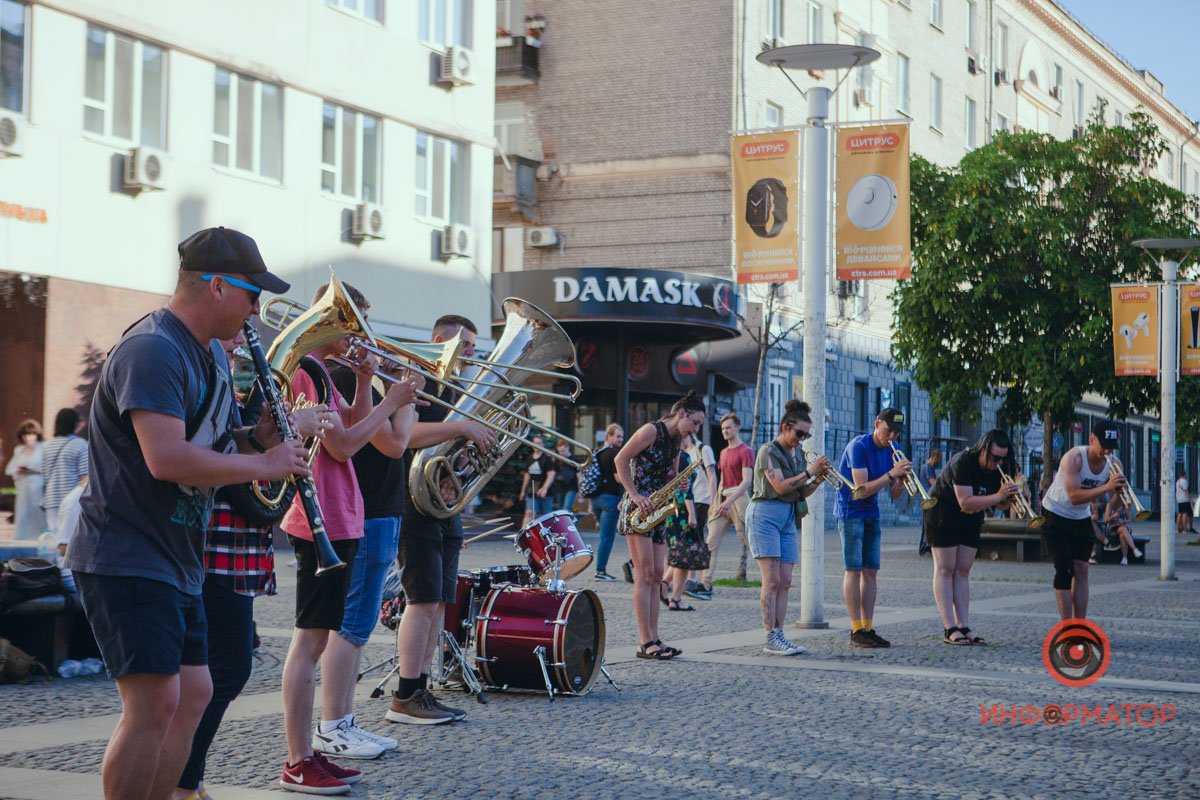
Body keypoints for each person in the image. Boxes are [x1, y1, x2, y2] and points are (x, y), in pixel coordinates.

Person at [62, 226, 308, 800]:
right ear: (218, 286)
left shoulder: (209, 358)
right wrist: (266, 464)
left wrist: (253, 438)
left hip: (175, 555)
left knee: (194, 692)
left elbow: (213, 445)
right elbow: (166, 458)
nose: (257, 310)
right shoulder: (153, 349)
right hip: (125, 553)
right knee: (153, 704)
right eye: (253, 294)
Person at [175, 331, 343, 800]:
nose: (244, 336)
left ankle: (187, 778)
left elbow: (240, 442)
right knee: (221, 667)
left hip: (236, 542)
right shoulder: (202, 367)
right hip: (216, 541)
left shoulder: (225, 373)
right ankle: (182, 781)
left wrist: (274, 433)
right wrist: (278, 437)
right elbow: (216, 452)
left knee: (222, 667)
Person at [279, 282, 421, 791]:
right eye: (349, 324)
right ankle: (300, 758)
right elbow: (343, 448)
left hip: (341, 516)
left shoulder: (321, 372)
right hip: (319, 517)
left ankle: (312, 750)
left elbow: (352, 429)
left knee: (316, 641)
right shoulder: (305, 370)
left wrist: (366, 385)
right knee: (308, 645)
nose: (356, 336)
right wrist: (394, 401)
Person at [387, 314, 494, 726]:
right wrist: (464, 426)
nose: (471, 353)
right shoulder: (417, 378)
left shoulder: (454, 387)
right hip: (413, 502)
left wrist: (468, 452)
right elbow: (407, 437)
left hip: (443, 504)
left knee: (439, 601)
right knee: (422, 599)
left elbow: (447, 444)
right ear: (439, 340)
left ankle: (423, 687)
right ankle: (406, 692)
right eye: (465, 345)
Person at [615, 391, 707, 660]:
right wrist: (634, 495)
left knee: (657, 575)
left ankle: (655, 637)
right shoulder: (650, 431)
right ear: (681, 414)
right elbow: (620, 460)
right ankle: (645, 641)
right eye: (695, 422)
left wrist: (680, 482)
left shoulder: (677, 441)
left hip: (657, 508)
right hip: (638, 507)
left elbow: (671, 476)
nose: (696, 429)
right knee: (644, 575)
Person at [747, 400, 830, 655]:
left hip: (787, 516)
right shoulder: (768, 450)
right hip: (766, 514)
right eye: (799, 433)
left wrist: (817, 480)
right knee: (771, 580)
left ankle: (780, 634)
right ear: (785, 427)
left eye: (807, 435)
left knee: (785, 580)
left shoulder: (797, 454)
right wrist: (809, 472)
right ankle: (769, 636)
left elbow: (799, 491)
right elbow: (781, 486)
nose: (802, 439)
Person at [925, 430, 1017, 646]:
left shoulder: (1000, 468)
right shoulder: (963, 461)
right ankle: (950, 628)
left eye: (1003, 458)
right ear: (983, 451)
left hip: (970, 518)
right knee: (945, 568)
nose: (999, 462)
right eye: (995, 458)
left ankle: (964, 625)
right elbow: (964, 501)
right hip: (943, 512)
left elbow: (993, 502)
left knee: (963, 569)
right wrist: (998, 496)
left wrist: (1005, 502)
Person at [835, 407, 910, 648]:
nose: (892, 438)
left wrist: (901, 481)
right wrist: (891, 474)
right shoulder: (859, 446)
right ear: (877, 423)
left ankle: (868, 626)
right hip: (850, 511)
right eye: (889, 431)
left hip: (872, 513)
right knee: (853, 570)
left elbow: (896, 495)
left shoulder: (894, 450)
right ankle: (856, 629)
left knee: (871, 571)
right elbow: (861, 490)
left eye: (897, 433)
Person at [1039, 419, 1125, 620]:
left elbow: (1115, 504)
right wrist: (1107, 487)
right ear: (1091, 440)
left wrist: (1120, 492)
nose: (1107, 452)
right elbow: (1074, 496)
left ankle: (1080, 624)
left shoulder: (1114, 464)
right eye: (1104, 446)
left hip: (1081, 516)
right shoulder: (1074, 458)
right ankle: (1067, 626)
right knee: (1064, 569)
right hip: (1056, 513)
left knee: (1083, 569)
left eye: (1112, 448)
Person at [694, 412, 754, 597]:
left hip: (739, 499)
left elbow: (747, 481)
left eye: (728, 427)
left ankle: (773, 576)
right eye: (722, 428)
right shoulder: (723, 452)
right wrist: (715, 502)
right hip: (722, 500)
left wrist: (730, 501)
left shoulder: (746, 451)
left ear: (737, 427)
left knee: (752, 540)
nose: (725, 431)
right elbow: (721, 480)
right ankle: (705, 584)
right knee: (710, 543)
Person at [40, 408, 89, 533]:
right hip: (71, 501)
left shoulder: (47, 446)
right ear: (75, 423)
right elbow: (85, 478)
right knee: (70, 540)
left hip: (51, 500)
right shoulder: (80, 444)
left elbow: (44, 474)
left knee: (55, 542)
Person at [589, 423, 625, 581]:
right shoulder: (614, 453)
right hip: (610, 499)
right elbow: (619, 478)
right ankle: (601, 571)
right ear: (608, 436)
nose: (621, 440)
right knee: (607, 537)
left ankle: (600, 569)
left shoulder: (597, 452)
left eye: (622, 437)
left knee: (603, 536)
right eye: (617, 436)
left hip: (596, 499)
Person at [683, 435, 717, 600]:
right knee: (690, 539)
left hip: (702, 499)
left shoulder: (704, 449)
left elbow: (712, 475)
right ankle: (690, 578)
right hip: (689, 499)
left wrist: (713, 501)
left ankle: (693, 578)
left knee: (696, 539)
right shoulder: (684, 452)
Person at [6, 419, 46, 540]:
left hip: (38, 486)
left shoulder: (43, 448)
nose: (28, 437)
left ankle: (40, 540)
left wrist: (34, 470)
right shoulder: (19, 450)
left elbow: (47, 468)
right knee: (23, 515)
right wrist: (18, 470)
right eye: (25, 434)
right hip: (23, 487)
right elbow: (10, 469)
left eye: (32, 434)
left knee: (38, 515)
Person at [520, 436, 556, 527]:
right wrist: (523, 491)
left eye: (539, 443)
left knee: (547, 516)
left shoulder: (547, 458)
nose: (537, 445)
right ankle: (523, 536)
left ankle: (550, 537)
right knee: (529, 513)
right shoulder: (529, 459)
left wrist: (544, 488)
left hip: (545, 492)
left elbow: (551, 474)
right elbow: (527, 475)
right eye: (535, 443)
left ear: (543, 445)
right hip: (531, 491)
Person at [1103, 491, 1142, 566]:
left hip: (1122, 526)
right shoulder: (1110, 505)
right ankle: (1134, 549)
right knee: (1123, 530)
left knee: (1122, 535)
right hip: (1113, 527)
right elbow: (1106, 519)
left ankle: (1124, 558)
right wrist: (1113, 516)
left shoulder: (1124, 505)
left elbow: (1129, 519)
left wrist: (1125, 521)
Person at [552, 438, 581, 515]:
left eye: (563, 450)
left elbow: (579, 476)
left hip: (572, 487)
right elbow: (553, 473)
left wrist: (580, 490)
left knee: (567, 507)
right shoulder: (557, 459)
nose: (561, 453)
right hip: (560, 486)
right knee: (560, 509)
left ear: (567, 448)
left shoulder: (574, 460)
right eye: (559, 451)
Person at [1175, 465, 1191, 535]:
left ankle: (1178, 529)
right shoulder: (1184, 481)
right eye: (1186, 474)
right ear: (1184, 474)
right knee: (1184, 514)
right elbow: (1186, 492)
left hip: (1179, 499)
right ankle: (1184, 529)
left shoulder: (1177, 481)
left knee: (1179, 513)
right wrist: (1189, 500)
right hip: (1184, 499)